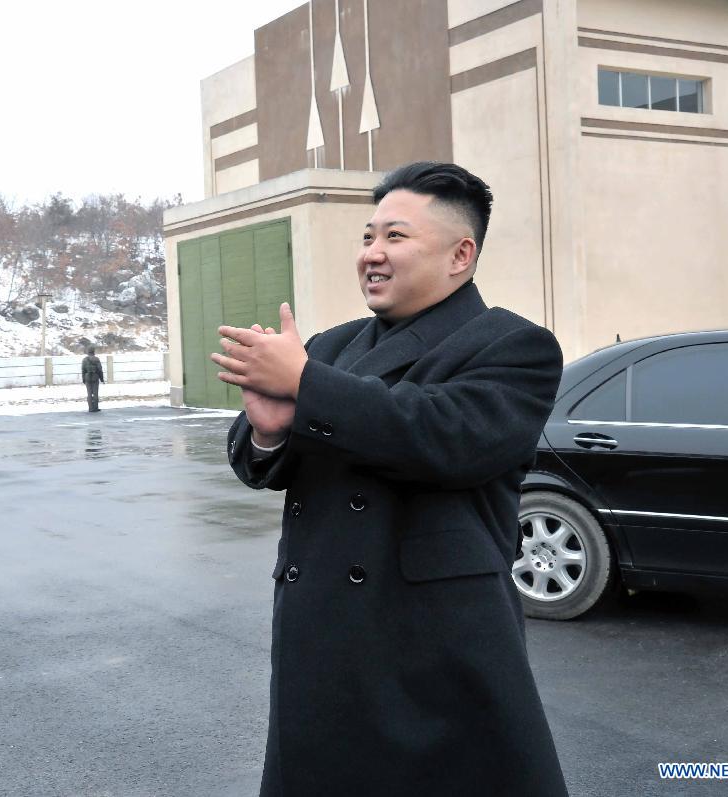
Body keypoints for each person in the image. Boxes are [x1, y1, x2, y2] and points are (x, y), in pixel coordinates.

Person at [213, 162, 568, 796]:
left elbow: (442, 435)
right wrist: (268, 428)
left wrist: (304, 385)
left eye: (395, 237)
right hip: (320, 641)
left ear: (462, 254)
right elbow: (255, 460)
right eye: (368, 236)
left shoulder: (513, 345)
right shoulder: (330, 346)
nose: (372, 254)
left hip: (434, 645)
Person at [81, 346, 104, 412]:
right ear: (93, 352)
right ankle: (95, 408)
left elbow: (83, 370)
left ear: (88, 352)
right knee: (95, 393)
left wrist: (83, 379)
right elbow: (100, 370)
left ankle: (90, 408)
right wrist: (101, 379)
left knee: (89, 393)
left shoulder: (84, 360)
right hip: (95, 377)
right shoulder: (96, 359)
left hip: (87, 377)